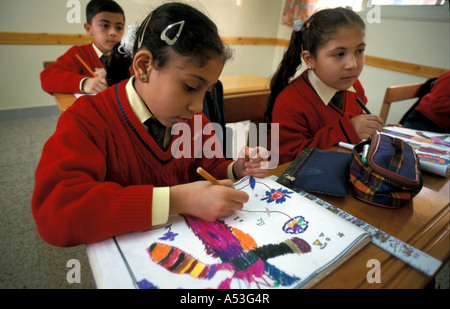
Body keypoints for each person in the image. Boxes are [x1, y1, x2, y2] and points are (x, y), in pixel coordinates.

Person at [32, 2, 268, 247]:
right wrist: (176, 200)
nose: (198, 107)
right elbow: (56, 216)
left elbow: (205, 167)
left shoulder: (194, 123)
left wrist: (236, 169)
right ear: (144, 66)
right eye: (189, 87)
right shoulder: (87, 120)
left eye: (206, 92)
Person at [265, 7, 384, 164]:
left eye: (359, 51)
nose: (352, 64)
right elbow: (286, 161)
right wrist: (347, 130)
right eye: (339, 54)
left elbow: (357, 132)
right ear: (309, 59)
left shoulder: (355, 87)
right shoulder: (290, 101)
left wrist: (371, 129)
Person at [40, 0, 125, 95]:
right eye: (105, 25)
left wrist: (115, 74)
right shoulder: (78, 54)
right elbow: (47, 77)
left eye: (119, 27)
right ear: (88, 29)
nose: (113, 32)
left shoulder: (127, 55)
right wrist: (83, 83)